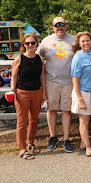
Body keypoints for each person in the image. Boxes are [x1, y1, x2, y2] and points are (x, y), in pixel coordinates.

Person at [36, 17, 75, 152]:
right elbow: (37, 56)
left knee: (66, 110)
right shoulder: (47, 41)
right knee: (51, 109)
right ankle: (53, 137)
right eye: (56, 25)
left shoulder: (74, 40)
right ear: (53, 27)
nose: (60, 27)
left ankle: (66, 139)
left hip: (69, 82)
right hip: (51, 81)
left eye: (62, 24)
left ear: (66, 25)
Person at [11, 32, 46, 160]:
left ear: (36, 44)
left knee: (34, 120)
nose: (30, 45)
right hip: (22, 93)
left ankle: (31, 143)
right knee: (21, 121)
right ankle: (22, 148)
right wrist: (13, 90)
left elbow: (42, 77)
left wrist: (44, 93)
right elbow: (14, 77)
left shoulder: (40, 59)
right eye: (27, 43)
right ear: (24, 45)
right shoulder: (19, 59)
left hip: (37, 92)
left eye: (33, 43)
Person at [71, 31, 91, 158]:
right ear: (79, 44)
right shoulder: (77, 57)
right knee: (83, 121)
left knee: (87, 119)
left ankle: (83, 144)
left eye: (87, 40)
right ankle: (88, 149)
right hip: (82, 93)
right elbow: (75, 80)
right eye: (83, 41)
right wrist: (80, 99)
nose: (86, 43)